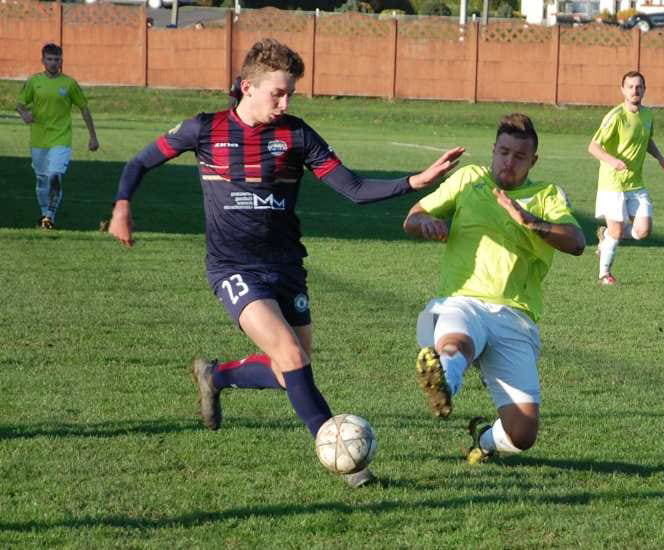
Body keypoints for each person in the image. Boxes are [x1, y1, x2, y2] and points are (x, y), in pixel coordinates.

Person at [107, 39, 463, 487]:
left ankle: (216, 376)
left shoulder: (296, 135)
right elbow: (140, 162)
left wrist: (416, 180)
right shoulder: (204, 129)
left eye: (290, 94)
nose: (285, 103)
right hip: (233, 267)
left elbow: (352, 189)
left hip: (287, 266)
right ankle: (347, 462)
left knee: (288, 370)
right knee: (291, 356)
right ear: (247, 87)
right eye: (278, 93)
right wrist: (122, 205)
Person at [403, 113, 585, 464]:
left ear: (533, 161)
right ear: (493, 150)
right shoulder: (470, 178)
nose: (508, 162)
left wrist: (531, 222)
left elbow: (576, 242)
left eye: (519, 157)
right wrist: (426, 223)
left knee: (522, 434)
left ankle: (484, 440)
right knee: (458, 342)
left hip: (515, 316)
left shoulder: (546, 195)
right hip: (462, 300)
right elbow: (413, 217)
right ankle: (443, 379)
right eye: (503, 152)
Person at [588, 70, 664, 286]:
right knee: (617, 231)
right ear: (623, 90)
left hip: (635, 182)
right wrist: (613, 161)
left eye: (639, 87)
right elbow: (593, 147)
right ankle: (604, 274)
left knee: (643, 231)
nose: (635, 90)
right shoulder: (615, 116)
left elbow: (647, 140)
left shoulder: (647, 115)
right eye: (631, 87)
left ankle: (607, 236)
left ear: (644, 90)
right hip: (612, 183)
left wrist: (660, 158)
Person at [15, 43, 99, 230]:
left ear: (62, 61)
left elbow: (84, 109)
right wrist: (24, 113)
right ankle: (44, 213)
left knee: (54, 176)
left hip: (61, 138)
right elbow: (20, 104)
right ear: (43, 60)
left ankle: (50, 216)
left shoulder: (69, 84)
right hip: (38, 140)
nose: (53, 63)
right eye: (50, 59)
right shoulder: (33, 82)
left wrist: (93, 136)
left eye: (57, 59)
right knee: (41, 179)